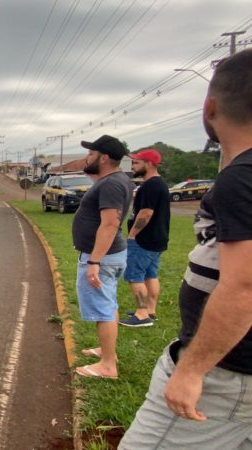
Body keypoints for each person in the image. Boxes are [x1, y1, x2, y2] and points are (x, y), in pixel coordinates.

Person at [120, 49, 252, 449]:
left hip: (226, 372)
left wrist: (193, 370)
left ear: (209, 107)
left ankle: (144, 313)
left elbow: (244, 286)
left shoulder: (240, 180)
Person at [72, 134, 134, 379]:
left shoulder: (110, 184)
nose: (87, 157)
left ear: (104, 158)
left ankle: (107, 366)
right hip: (110, 255)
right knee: (109, 304)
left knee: (103, 309)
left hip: (102, 257)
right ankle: (107, 351)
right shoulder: (115, 180)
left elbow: (110, 223)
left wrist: (94, 261)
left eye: (91, 153)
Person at [120, 149, 170, 328]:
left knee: (135, 276)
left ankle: (141, 314)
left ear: (149, 163)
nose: (133, 166)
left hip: (143, 240)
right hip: (157, 239)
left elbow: (146, 213)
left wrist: (132, 235)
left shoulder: (150, 186)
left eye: (136, 163)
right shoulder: (160, 184)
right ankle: (150, 310)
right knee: (150, 275)